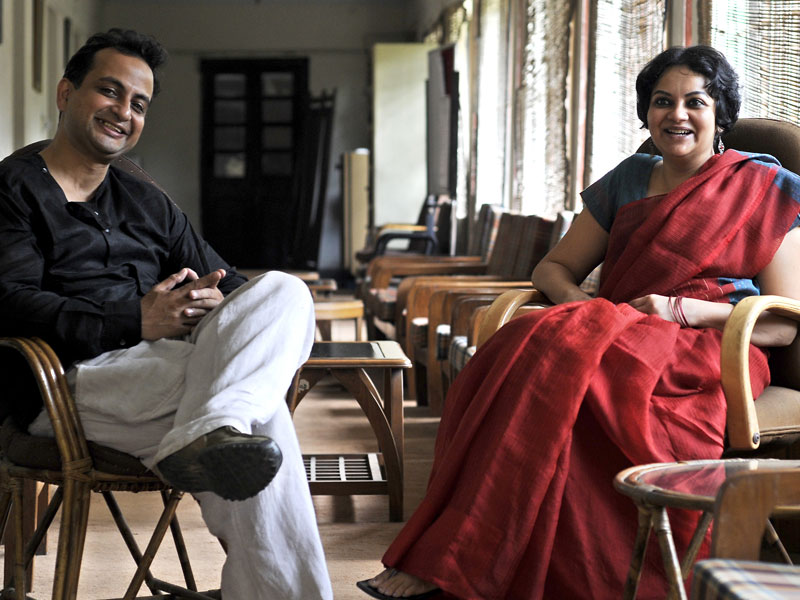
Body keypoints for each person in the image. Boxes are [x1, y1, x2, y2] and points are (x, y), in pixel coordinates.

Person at [358, 45, 800, 600]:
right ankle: (464, 559)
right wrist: (582, 307)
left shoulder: (765, 187)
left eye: (696, 102)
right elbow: (553, 268)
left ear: (721, 114)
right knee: (522, 345)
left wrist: (678, 310)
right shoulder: (629, 179)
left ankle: (561, 576)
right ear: (646, 113)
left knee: (578, 378)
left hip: (712, 344)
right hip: (616, 329)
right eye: (662, 101)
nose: (677, 115)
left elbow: (782, 323)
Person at [0, 29, 333, 600]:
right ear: (65, 93)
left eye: (139, 104)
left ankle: (210, 429)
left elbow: (231, 282)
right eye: (110, 91)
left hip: (170, 370)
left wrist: (214, 302)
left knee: (286, 291)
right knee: (260, 420)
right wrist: (136, 320)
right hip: (69, 381)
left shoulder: (145, 200)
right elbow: (11, 300)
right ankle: (216, 433)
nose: (123, 112)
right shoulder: (13, 191)